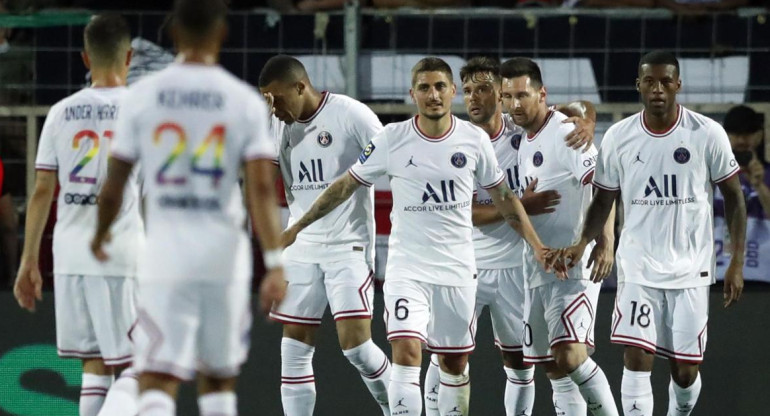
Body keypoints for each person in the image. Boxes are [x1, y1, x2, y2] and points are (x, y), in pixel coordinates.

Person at [282, 56, 553, 416]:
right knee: (407, 354)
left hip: (457, 270)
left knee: (454, 365)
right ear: (413, 94)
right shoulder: (391, 139)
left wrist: (537, 246)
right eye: (424, 87)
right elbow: (346, 184)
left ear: (451, 91)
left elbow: (505, 201)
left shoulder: (473, 140)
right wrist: (298, 227)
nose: (433, 94)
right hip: (407, 270)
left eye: (440, 86)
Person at [90, 1, 286, 415]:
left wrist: (102, 232)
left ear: (174, 33)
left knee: (157, 376)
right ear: (222, 34)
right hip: (223, 256)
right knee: (217, 380)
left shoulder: (143, 97)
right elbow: (262, 191)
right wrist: (274, 262)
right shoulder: (244, 101)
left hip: (165, 253)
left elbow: (114, 183)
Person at [552, 50, 746, 416]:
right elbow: (603, 200)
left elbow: (734, 198)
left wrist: (735, 262)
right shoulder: (620, 137)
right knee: (636, 357)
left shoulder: (707, 133)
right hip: (638, 266)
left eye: (665, 81)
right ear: (638, 85)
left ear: (678, 85)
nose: (657, 89)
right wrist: (584, 241)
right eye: (649, 81)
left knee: (685, 372)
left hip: (691, 269)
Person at [422, 56, 598, 416]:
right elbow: (463, 212)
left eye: (484, 89)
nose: (474, 98)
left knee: (528, 362)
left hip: (518, 265)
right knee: (446, 355)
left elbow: (572, 109)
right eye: (468, 91)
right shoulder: (453, 142)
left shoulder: (523, 130)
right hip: (466, 263)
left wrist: (587, 120)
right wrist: (519, 205)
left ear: (500, 96)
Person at [13, 14, 143, 416]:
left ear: (85, 58)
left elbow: (41, 192)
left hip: (70, 256)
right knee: (143, 364)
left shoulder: (60, 112)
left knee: (95, 363)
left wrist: (28, 260)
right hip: (121, 254)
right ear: (130, 57)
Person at [258, 55, 391, 416]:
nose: (276, 108)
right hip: (300, 247)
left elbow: (392, 154)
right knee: (293, 351)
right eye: (268, 101)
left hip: (348, 244)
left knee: (357, 349)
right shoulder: (275, 123)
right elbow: (258, 182)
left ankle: (399, 408)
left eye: (279, 99)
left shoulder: (351, 114)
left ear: (301, 86)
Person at [503, 57, 619, 416]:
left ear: (542, 94)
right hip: (539, 264)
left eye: (522, 95)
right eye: (508, 96)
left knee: (570, 354)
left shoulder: (566, 133)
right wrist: (588, 111)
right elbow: (584, 105)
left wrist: (604, 242)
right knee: (554, 366)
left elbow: (604, 186)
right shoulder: (521, 134)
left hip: (574, 261)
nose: (515, 104)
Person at [715, 105, 769, 282]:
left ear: (759, 135)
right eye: (735, 133)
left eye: (747, 133)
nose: (741, 139)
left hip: (760, 277)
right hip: (717, 275)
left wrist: (760, 185)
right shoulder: (709, 176)